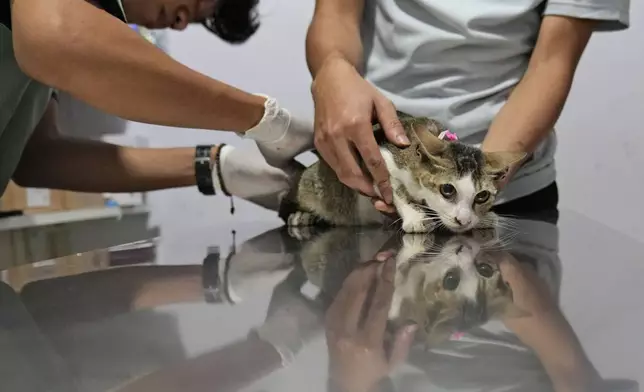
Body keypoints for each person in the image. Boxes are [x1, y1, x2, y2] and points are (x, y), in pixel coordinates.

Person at [306, 0, 629, 217]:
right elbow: (335, 15)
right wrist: (332, 69)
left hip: (502, 194)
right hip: (373, 178)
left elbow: (552, 62)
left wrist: (473, 194)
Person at [1, 0, 313, 209]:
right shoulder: (51, 23)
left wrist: (219, 167)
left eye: (192, 20)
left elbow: (39, 157)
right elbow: (55, 36)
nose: (178, 23)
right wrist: (265, 120)